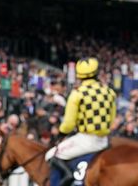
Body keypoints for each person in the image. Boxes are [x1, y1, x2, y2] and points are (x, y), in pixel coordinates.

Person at [45, 58, 116, 186]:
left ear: (79, 75)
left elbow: (68, 124)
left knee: (50, 155)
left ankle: (67, 175)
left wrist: (60, 134)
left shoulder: (77, 94)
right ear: (96, 72)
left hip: (86, 139)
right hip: (104, 140)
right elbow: (111, 118)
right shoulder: (109, 92)